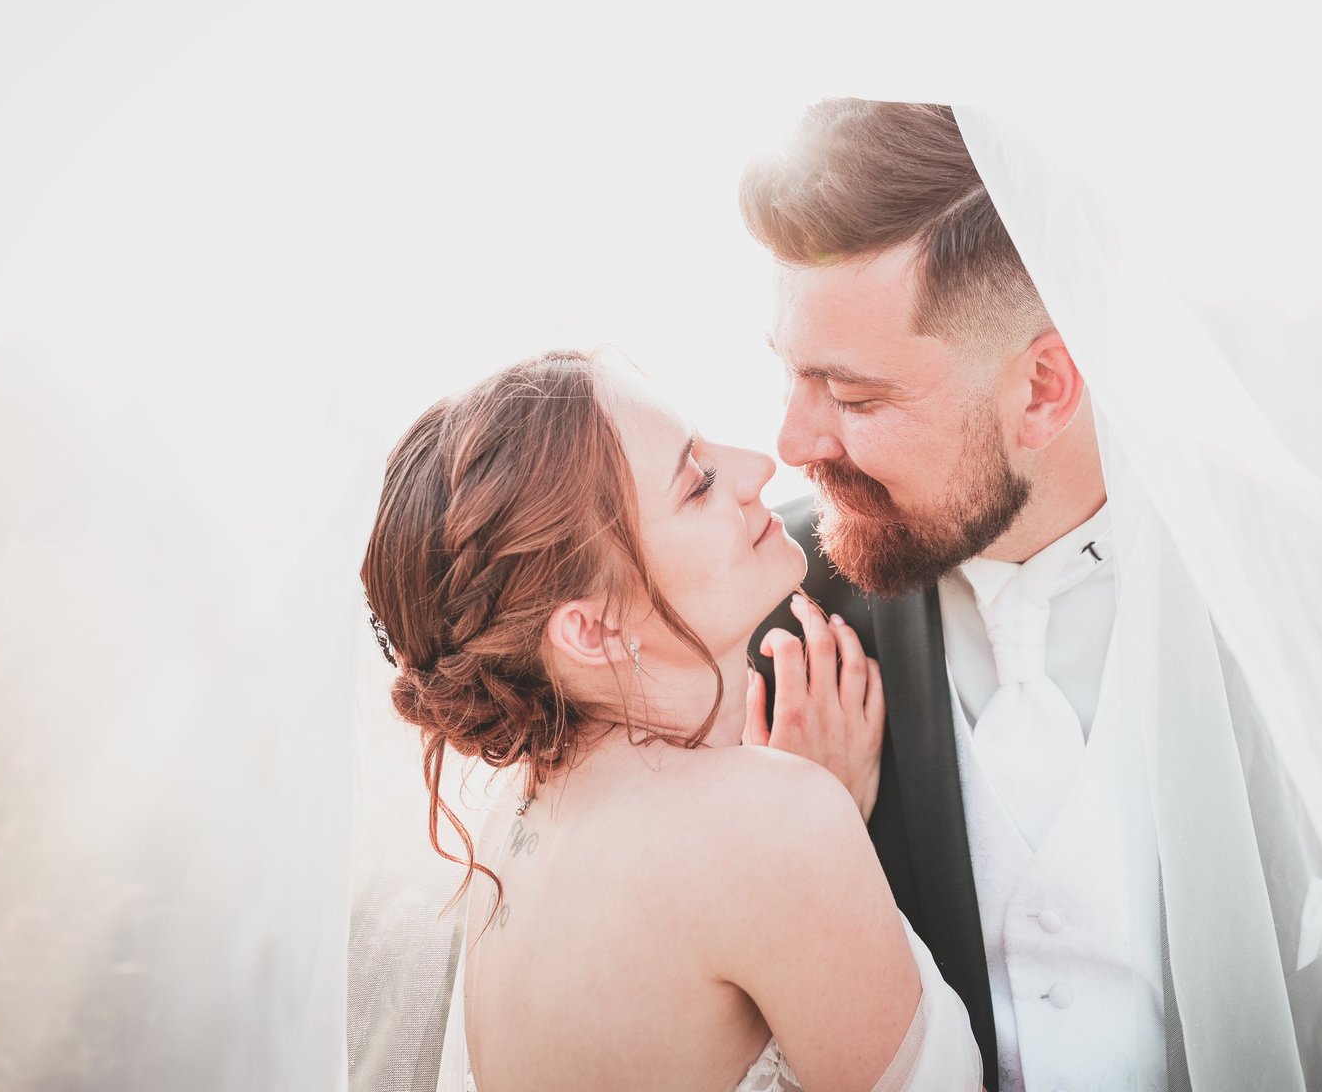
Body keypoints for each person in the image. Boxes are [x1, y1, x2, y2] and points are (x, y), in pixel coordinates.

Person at [742, 101, 1322, 1091]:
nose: (791, 441)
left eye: (855, 397)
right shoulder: (761, 602)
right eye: (789, 374)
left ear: (1044, 387)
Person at [359, 348, 984, 1092]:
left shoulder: (513, 826)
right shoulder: (775, 826)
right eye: (698, 484)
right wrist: (811, 820)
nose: (759, 468)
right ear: (592, 629)